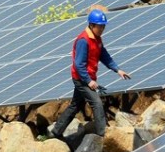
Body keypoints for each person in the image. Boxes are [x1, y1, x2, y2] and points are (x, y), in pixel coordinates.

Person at [50, 9, 130, 138]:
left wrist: (117, 69)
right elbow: (79, 64)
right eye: (100, 26)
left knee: (76, 105)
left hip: (87, 77)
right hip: (81, 78)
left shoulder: (97, 39)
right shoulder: (84, 40)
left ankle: (55, 131)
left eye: (103, 26)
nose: (102, 29)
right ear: (92, 25)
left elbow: (104, 56)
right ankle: (102, 135)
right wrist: (88, 81)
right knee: (96, 103)